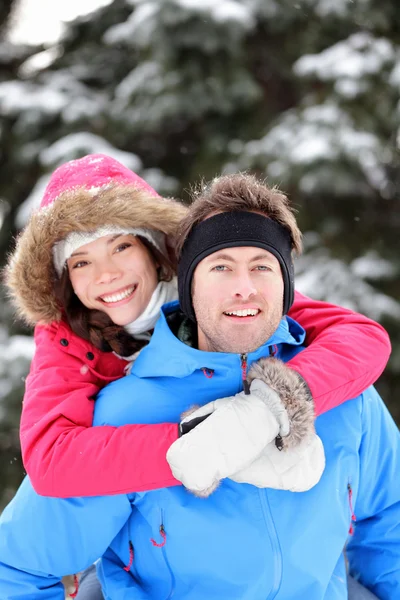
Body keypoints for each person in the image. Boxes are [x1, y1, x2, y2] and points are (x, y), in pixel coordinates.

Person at [0, 173, 396, 599]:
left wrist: (268, 409)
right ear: (188, 284)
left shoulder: (344, 392)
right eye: (221, 267)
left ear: (286, 287)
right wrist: (191, 444)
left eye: (262, 267)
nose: (244, 289)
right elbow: (16, 566)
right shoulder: (121, 413)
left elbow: (390, 524)